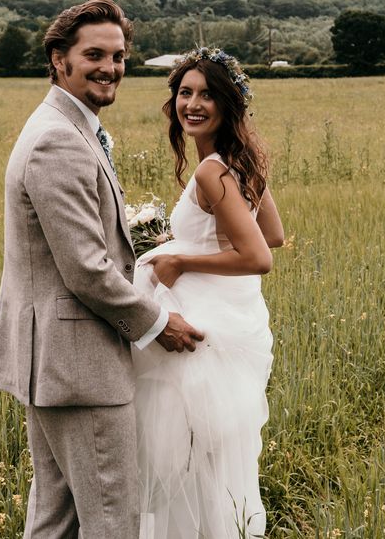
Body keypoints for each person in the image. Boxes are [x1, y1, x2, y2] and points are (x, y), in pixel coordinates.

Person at [0, 0, 204, 539]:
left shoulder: (64, 124)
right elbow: (85, 269)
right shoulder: (59, 139)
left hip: (56, 364)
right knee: (111, 522)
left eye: (119, 56)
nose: (110, 67)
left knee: (56, 520)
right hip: (80, 368)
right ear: (60, 59)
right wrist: (156, 323)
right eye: (95, 54)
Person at [132, 47, 284, 539]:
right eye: (184, 92)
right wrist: (181, 240)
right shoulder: (240, 161)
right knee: (212, 464)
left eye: (207, 95)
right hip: (230, 318)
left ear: (227, 104)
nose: (192, 104)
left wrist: (179, 258)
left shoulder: (211, 170)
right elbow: (273, 232)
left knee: (183, 462)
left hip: (202, 326)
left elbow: (261, 255)